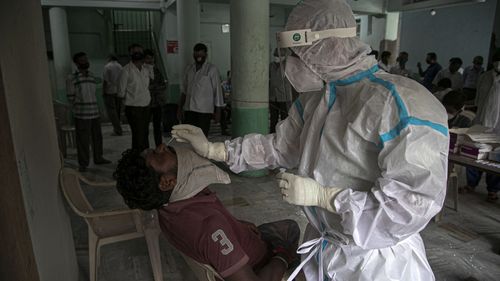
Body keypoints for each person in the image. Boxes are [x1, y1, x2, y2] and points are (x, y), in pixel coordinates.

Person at [171, 0, 449, 280]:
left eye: (295, 53)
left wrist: (326, 197)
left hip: (375, 262)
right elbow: (278, 147)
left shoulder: (400, 104)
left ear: (322, 47)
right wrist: (214, 149)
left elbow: (409, 205)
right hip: (324, 243)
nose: (289, 63)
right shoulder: (317, 99)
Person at [113, 145, 300, 281]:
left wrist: (235, 224)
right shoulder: (211, 228)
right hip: (258, 262)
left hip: (236, 243)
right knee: (293, 233)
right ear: (167, 182)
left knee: (289, 225)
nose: (162, 147)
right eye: (157, 154)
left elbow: (214, 232)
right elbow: (214, 234)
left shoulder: (169, 208)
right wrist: (282, 256)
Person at [67, 52, 111, 172]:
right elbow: (70, 98)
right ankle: (83, 163)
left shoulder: (91, 76)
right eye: (82, 60)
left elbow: (93, 94)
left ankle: (98, 157)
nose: (85, 62)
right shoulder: (72, 78)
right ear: (76, 63)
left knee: (97, 137)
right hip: (82, 115)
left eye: (86, 59)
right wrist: (77, 108)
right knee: (83, 140)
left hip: (94, 113)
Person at [466, 52, 500, 202]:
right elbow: (478, 99)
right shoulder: (485, 77)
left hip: (498, 125)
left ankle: (493, 190)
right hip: (481, 122)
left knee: (495, 159)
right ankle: (471, 184)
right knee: (474, 153)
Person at [178, 43, 224, 136]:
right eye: (196, 55)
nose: (199, 57)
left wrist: (218, 111)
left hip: (204, 111)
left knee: (202, 139)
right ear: (193, 55)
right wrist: (179, 108)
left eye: (201, 55)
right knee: (190, 138)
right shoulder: (189, 69)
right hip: (189, 110)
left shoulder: (212, 69)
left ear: (206, 55)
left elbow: (217, 92)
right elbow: (184, 91)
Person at [118, 43, 152, 151]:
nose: (137, 54)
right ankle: (137, 160)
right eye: (134, 52)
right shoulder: (126, 70)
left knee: (145, 133)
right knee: (138, 135)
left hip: (146, 106)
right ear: (130, 54)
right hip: (133, 108)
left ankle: (146, 159)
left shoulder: (146, 69)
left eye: (139, 52)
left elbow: (150, 84)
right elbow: (120, 93)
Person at [144, 49, 167, 147]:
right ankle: (145, 148)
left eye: (152, 58)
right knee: (144, 128)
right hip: (145, 103)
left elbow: (163, 85)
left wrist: (154, 88)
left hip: (157, 103)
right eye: (148, 58)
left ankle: (159, 147)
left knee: (157, 127)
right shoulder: (142, 71)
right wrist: (154, 88)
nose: (150, 60)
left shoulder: (156, 70)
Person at [269, 48, 293, 133]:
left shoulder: (287, 65)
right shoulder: (271, 66)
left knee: (285, 118)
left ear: (283, 57)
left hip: (284, 96)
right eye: (275, 55)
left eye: (278, 56)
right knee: (273, 118)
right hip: (273, 96)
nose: (276, 57)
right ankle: (272, 134)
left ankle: (284, 135)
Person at [102, 54, 123, 136]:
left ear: (109, 58)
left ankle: (118, 129)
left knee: (111, 112)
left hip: (109, 91)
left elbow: (105, 81)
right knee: (117, 111)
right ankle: (117, 128)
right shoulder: (120, 66)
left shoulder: (107, 67)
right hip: (119, 91)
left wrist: (103, 91)